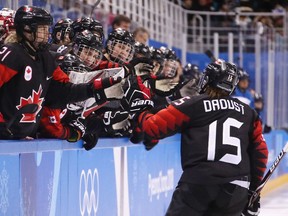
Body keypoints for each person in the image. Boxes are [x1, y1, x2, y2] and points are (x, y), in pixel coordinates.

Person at [132, 59, 268, 216]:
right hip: (237, 187)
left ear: (208, 79)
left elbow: (152, 128)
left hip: (198, 183)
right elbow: (260, 153)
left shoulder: (192, 104)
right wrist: (253, 192)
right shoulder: (249, 112)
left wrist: (141, 111)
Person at [0, 5, 123, 140]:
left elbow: (64, 91)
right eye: (42, 29)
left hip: (21, 138)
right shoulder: (11, 54)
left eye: (47, 29)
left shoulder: (46, 58)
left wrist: (95, 89)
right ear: (27, 30)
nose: (47, 34)